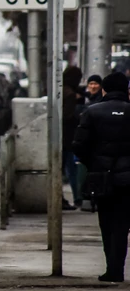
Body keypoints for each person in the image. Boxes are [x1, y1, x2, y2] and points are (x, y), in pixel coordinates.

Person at [72, 71, 130, 282]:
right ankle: (118, 269)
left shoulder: (92, 112)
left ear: (104, 89)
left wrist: (94, 164)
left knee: (106, 222)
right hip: (127, 180)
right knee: (123, 224)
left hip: (101, 177)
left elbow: (78, 145)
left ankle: (111, 269)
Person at [62, 65, 84, 210]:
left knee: (62, 168)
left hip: (60, 137)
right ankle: (78, 197)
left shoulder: (60, 89)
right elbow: (67, 116)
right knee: (71, 168)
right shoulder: (70, 95)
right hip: (68, 137)